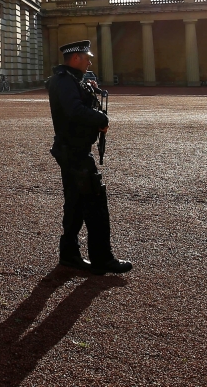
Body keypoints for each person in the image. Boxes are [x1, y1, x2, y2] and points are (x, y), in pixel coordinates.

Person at [47, 40, 132, 275]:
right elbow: (74, 111)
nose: (90, 62)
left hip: (72, 149)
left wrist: (89, 90)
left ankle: (69, 254)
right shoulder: (65, 81)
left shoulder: (71, 80)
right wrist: (100, 120)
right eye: (87, 58)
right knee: (95, 203)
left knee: (74, 202)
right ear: (75, 58)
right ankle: (102, 258)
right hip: (74, 151)